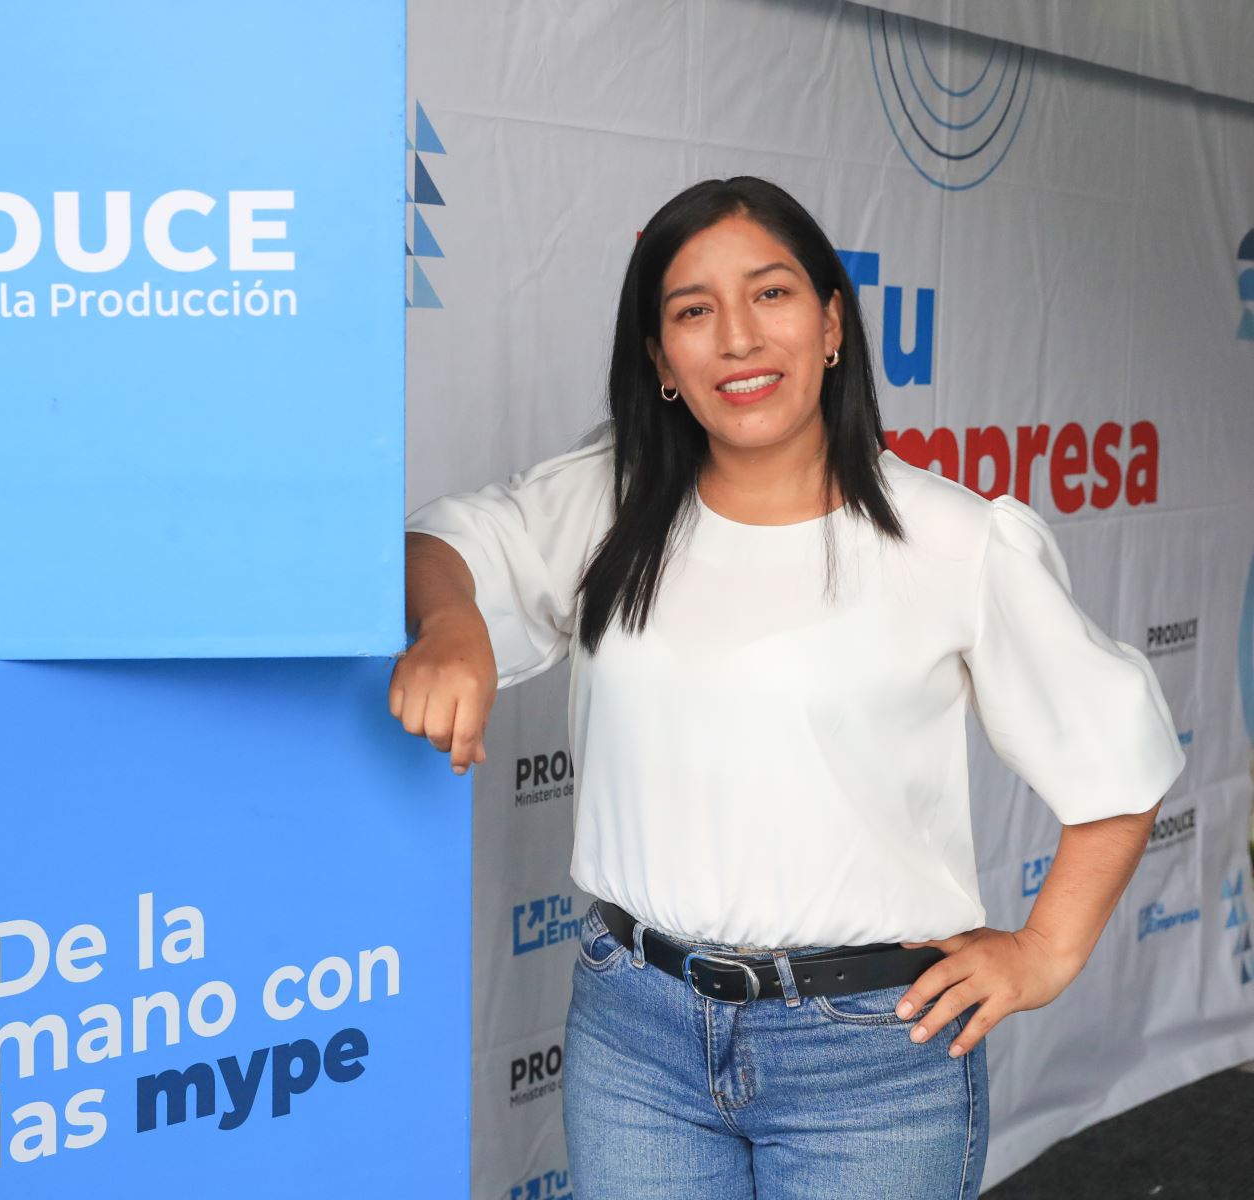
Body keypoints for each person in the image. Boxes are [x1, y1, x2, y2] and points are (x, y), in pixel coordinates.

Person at [390, 176, 1186, 1199]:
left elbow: (1118, 757)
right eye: (693, 311)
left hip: (870, 1056)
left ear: (832, 325)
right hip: (637, 1035)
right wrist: (452, 624)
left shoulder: (954, 539)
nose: (738, 338)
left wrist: (1044, 952)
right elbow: (440, 546)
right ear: (660, 359)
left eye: (771, 293)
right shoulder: (610, 501)